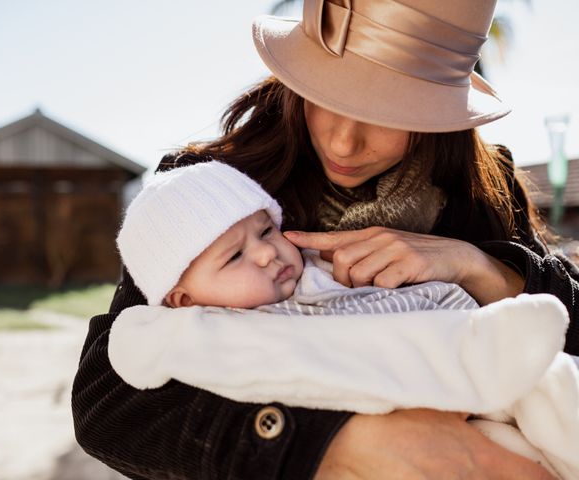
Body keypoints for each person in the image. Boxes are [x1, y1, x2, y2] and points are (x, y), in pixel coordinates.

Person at [72, 0, 579, 478]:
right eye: (327, 94)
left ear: (441, 114)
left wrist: (481, 268)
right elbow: (109, 404)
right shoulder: (204, 191)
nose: (344, 142)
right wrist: (339, 443)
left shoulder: (484, 190)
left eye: (388, 111)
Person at [116, 160, 477, 313]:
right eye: (234, 256)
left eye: (266, 231)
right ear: (183, 300)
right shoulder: (194, 337)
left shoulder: (323, 276)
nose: (265, 254)